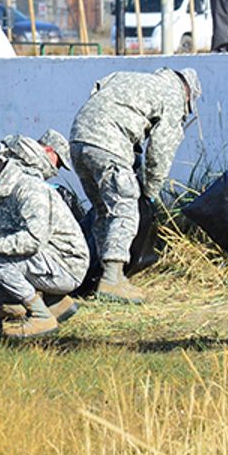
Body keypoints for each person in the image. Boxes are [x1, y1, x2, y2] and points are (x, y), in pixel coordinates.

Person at [69, 67, 201, 304]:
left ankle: (96, 276)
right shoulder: (172, 95)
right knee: (125, 208)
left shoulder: (128, 77)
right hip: (108, 144)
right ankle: (112, 279)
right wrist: (150, 192)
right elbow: (160, 151)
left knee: (103, 211)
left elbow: (96, 94)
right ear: (188, 93)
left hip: (78, 141)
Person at [0, 148, 89, 338]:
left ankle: (41, 316)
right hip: (42, 264)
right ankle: (53, 302)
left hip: (67, 264)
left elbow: (33, 240)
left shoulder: (29, 191)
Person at [0, 128, 71, 181]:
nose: (56, 169)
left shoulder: (15, 144)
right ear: (49, 150)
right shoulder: (41, 164)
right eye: (58, 164)